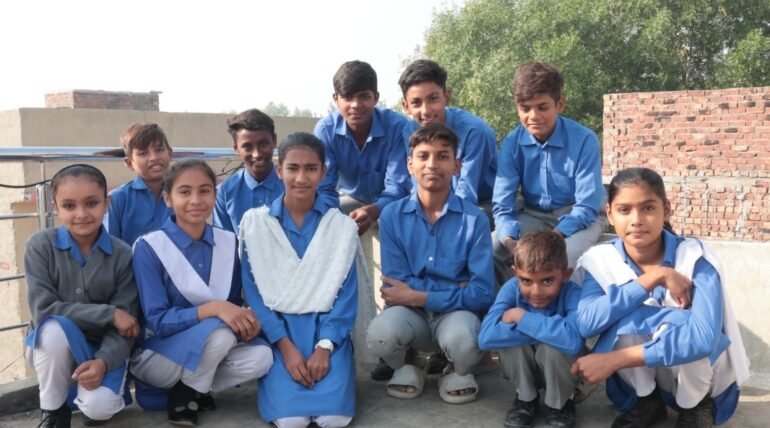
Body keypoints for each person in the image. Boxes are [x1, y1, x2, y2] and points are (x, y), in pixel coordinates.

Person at [571, 167, 750, 428]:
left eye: (648, 208)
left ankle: (695, 407)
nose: (636, 220)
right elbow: (586, 323)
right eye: (624, 210)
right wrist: (651, 279)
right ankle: (648, 402)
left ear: (666, 209)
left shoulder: (695, 258)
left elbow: (701, 339)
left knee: (681, 328)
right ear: (609, 214)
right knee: (626, 322)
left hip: (702, 376)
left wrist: (616, 359)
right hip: (648, 377)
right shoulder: (600, 260)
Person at [130, 159, 272, 425]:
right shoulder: (149, 247)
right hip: (160, 354)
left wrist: (245, 324)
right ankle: (189, 396)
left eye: (204, 191)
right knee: (219, 332)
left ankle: (192, 389)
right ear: (168, 199)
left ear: (214, 195)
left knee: (261, 357)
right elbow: (157, 320)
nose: (195, 200)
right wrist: (216, 309)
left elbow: (232, 304)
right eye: (184, 192)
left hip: (212, 348)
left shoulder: (228, 242)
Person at [366, 124, 495, 404]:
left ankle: (458, 371)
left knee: (465, 339)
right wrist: (455, 287)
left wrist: (418, 294)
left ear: (457, 165)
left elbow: (483, 292)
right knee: (380, 335)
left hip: (455, 318)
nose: (432, 164)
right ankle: (408, 367)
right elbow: (394, 286)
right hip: (413, 317)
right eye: (423, 156)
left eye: (442, 156)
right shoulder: (392, 216)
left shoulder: (474, 220)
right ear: (410, 165)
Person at [240, 133, 361, 428]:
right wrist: (285, 347)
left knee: (334, 419)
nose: (301, 178)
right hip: (279, 335)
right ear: (279, 170)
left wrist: (325, 347)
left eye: (310, 168)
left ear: (323, 171)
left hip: (327, 334)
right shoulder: (255, 225)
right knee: (290, 421)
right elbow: (253, 294)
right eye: (293, 168)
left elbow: (346, 295)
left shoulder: (341, 227)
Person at [24, 164, 139, 427]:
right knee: (54, 327)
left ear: (106, 203)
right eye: (69, 206)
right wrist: (108, 314)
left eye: (91, 203)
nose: (81, 214)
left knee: (99, 409)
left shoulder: (123, 255)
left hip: (101, 348)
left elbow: (127, 325)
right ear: (55, 206)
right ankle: (53, 412)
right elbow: (44, 310)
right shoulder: (40, 246)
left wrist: (102, 361)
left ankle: (85, 389)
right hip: (50, 347)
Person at [492, 62, 604, 286]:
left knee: (562, 258)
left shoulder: (583, 139)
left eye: (542, 107)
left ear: (559, 104)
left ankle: (563, 317)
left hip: (579, 217)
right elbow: (503, 205)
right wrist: (510, 241)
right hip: (534, 215)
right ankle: (508, 308)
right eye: (525, 108)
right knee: (493, 246)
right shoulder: (512, 143)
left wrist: (553, 238)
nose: (533, 116)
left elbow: (587, 205)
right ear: (517, 108)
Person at [478, 230, 583, 428]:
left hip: (560, 370)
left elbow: (573, 341)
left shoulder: (573, 293)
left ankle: (561, 404)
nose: (536, 292)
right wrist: (550, 330)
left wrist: (521, 317)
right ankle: (525, 399)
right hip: (525, 369)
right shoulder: (510, 289)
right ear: (515, 273)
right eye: (526, 280)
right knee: (514, 345)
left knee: (554, 347)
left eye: (547, 281)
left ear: (566, 274)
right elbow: (486, 337)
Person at [314, 59, 411, 235]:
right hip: (351, 198)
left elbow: (397, 187)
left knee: (396, 221)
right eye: (348, 97)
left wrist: (375, 209)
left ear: (376, 97)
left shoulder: (398, 127)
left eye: (364, 97)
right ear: (336, 99)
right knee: (317, 222)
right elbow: (325, 188)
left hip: (392, 201)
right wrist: (329, 219)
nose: (356, 105)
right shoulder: (326, 130)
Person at [399, 58, 497, 208]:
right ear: (406, 106)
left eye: (433, 99)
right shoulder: (410, 130)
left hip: (482, 203)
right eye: (416, 103)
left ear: (447, 97)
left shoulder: (475, 131)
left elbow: (467, 191)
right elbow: (417, 181)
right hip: (438, 201)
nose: (425, 111)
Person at [213, 109, 283, 234]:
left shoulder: (291, 185)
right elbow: (224, 243)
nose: (256, 154)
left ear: (274, 141)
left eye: (263, 144)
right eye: (247, 146)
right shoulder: (225, 193)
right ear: (236, 148)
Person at [106, 123, 173, 245]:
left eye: (159, 150)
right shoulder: (118, 199)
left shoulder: (182, 194)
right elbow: (111, 247)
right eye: (143, 153)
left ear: (170, 153)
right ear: (129, 163)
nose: (153, 158)